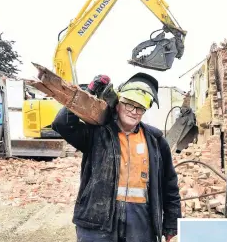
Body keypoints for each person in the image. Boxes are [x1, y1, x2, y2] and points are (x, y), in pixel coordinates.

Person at [51, 72, 181, 242]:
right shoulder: (97, 134)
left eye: (140, 108)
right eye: (129, 105)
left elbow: (169, 184)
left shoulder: (155, 140)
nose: (134, 112)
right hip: (98, 218)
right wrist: (87, 92)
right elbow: (62, 124)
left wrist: (171, 223)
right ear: (118, 104)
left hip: (140, 220)